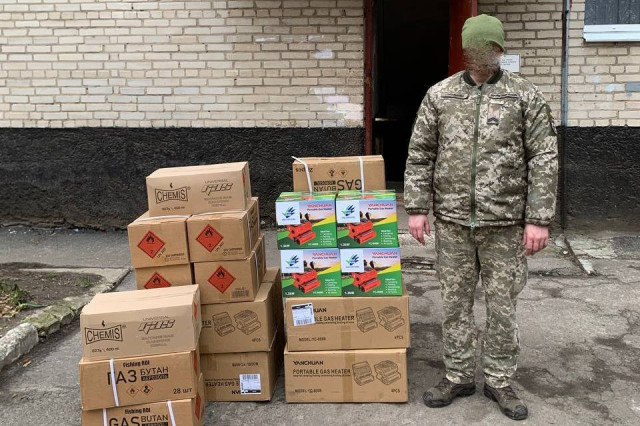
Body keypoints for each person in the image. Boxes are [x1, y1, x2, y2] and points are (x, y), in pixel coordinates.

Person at [404, 14, 558, 421]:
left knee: (502, 306)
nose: (480, 54)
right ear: (464, 49)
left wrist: (538, 218)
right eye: (473, 47)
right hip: (453, 222)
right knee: (454, 304)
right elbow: (420, 154)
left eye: (488, 47)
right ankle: (457, 376)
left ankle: (499, 379)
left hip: (505, 224)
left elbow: (544, 158)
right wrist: (417, 209)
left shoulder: (524, 95)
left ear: (499, 49)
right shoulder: (440, 95)